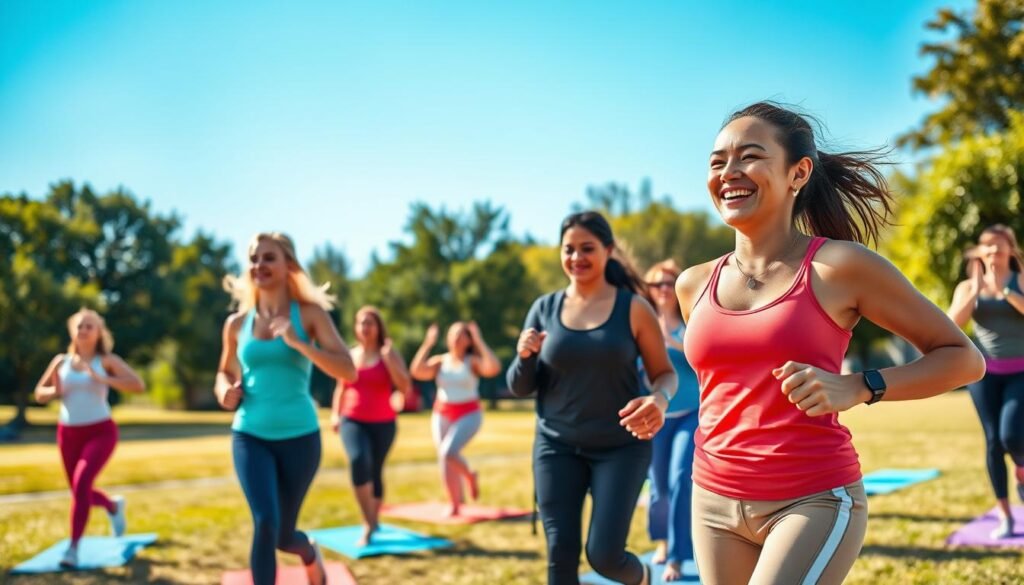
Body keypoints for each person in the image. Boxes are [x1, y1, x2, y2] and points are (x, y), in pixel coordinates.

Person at [675, 102, 986, 584]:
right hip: (712, 500)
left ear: (798, 172)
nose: (729, 172)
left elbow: (963, 359)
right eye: (717, 162)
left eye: (749, 157)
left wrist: (862, 385)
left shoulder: (839, 267)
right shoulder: (692, 285)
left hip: (811, 498)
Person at [507, 211, 677, 585]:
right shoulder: (544, 309)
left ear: (608, 251)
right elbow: (521, 387)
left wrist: (659, 401)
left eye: (587, 248)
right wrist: (524, 357)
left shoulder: (633, 308)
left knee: (604, 556)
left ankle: (642, 576)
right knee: (561, 556)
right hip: (557, 446)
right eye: (568, 249)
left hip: (620, 447)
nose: (576, 258)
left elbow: (664, 374)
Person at [215, 232, 356, 585]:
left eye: (268, 257)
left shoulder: (309, 315)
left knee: (283, 536)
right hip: (250, 434)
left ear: (288, 264)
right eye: (253, 258)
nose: (259, 264)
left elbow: (348, 370)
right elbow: (224, 371)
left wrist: (298, 344)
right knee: (264, 521)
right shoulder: (236, 323)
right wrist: (224, 392)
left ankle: (308, 552)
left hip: (300, 438)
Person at [33, 308, 145, 568]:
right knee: (78, 490)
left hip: (101, 431)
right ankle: (113, 506)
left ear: (99, 333)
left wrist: (102, 377)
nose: (83, 330)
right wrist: (52, 391)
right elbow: (39, 392)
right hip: (68, 433)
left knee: (82, 484)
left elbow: (137, 384)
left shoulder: (105, 360)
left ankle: (72, 549)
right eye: (80, 326)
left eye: (89, 326)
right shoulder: (60, 361)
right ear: (73, 330)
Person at [948, 224, 1024, 538]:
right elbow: (952, 324)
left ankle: (1021, 470)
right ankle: (1006, 516)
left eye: (1000, 245)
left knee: (1012, 436)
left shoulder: (1020, 279)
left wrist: (1004, 291)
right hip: (983, 373)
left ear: (1010, 249)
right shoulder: (968, 286)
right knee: (993, 442)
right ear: (980, 252)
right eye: (987, 246)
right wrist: (978, 289)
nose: (994, 251)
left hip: (1021, 370)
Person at [331, 305, 412, 545]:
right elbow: (340, 387)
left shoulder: (389, 353)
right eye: (361, 322)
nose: (365, 327)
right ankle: (368, 523)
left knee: (375, 470)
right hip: (352, 419)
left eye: (370, 322)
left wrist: (389, 361)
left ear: (378, 327)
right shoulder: (350, 355)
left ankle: (373, 519)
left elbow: (404, 386)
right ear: (356, 328)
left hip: (384, 422)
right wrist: (336, 415)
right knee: (358, 460)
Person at [641, 259, 700, 582]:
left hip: (691, 413)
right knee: (658, 486)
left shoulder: (691, 321)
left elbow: (705, 361)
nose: (663, 289)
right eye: (656, 284)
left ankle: (677, 556)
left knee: (680, 479)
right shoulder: (640, 323)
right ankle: (661, 543)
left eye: (669, 283)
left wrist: (675, 342)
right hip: (656, 416)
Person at [410, 321, 501, 516]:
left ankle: (469, 476)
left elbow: (493, 368)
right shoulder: (440, 361)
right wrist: (427, 344)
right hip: (442, 413)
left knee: (448, 452)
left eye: (462, 335)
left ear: (468, 340)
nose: (456, 338)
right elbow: (417, 371)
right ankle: (455, 504)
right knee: (445, 459)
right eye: (453, 334)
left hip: (469, 413)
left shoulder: (473, 361)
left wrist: (479, 340)